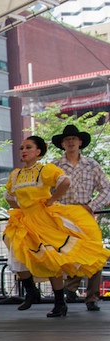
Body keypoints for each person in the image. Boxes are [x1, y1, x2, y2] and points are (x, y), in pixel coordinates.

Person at [2, 135, 110, 317]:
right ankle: (31, 292)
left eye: (28, 147)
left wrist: (52, 200)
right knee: (17, 255)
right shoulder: (16, 174)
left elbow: (65, 181)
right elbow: (9, 195)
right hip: (24, 220)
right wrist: (19, 208)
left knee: (50, 259)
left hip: (44, 218)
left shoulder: (45, 169)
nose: (24, 151)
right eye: (21, 148)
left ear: (38, 152)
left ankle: (61, 302)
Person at [51, 124, 110, 311]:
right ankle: (69, 288)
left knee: (95, 253)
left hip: (85, 214)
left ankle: (91, 297)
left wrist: (91, 206)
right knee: (66, 252)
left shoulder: (92, 165)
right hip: (64, 215)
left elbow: (106, 189)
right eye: (67, 139)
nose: (70, 142)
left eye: (73, 139)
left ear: (80, 142)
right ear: (62, 143)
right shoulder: (54, 166)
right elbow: (47, 192)